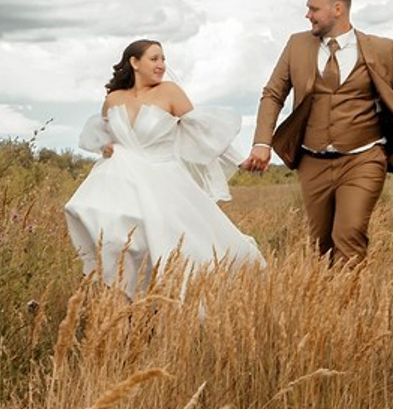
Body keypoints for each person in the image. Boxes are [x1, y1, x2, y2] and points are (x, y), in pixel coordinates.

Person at [240, 0, 393, 265]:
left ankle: (349, 303)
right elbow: (273, 94)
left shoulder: (380, 50)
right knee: (321, 247)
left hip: (364, 158)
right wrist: (262, 142)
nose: (307, 15)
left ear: (338, 9)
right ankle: (328, 304)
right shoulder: (297, 45)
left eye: (313, 9)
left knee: (350, 234)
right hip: (313, 160)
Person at [64, 39, 264, 297]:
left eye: (163, 59)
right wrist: (107, 146)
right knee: (114, 233)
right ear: (134, 63)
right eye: (154, 59)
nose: (161, 65)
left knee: (174, 243)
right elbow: (99, 134)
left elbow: (203, 132)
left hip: (163, 180)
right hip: (121, 178)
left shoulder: (170, 92)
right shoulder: (113, 99)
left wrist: (240, 161)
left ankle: (167, 300)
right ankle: (125, 297)